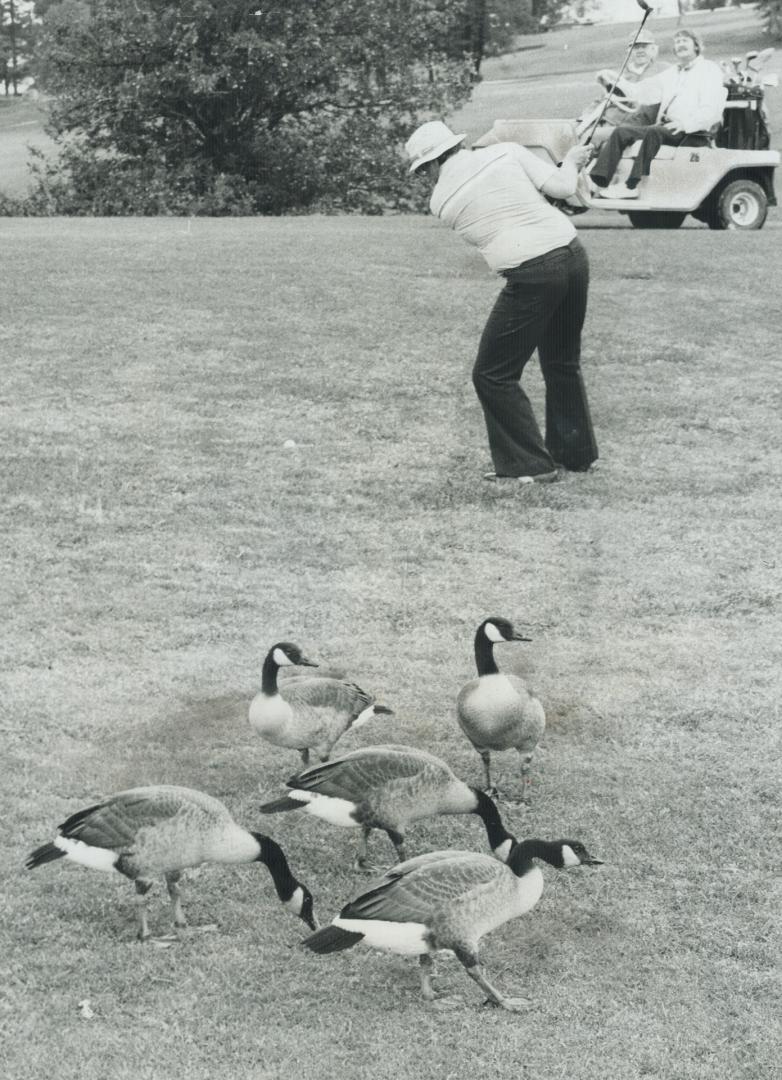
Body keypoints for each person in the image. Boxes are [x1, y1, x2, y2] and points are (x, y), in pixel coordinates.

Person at [404, 120, 598, 483]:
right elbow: (564, 188)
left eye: (422, 171)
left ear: (431, 164)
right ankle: (576, 456)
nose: (424, 179)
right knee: (561, 361)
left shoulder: (440, 202)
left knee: (492, 374)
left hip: (532, 274)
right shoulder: (507, 151)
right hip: (573, 256)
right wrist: (571, 161)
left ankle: (531, 466)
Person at [589, 28, 728, 199]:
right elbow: (642, 91)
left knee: (655, 131)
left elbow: (711, 109)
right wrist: (617, 81)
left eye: (685, 41)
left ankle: (631, 186)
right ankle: (598, 182)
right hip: (668, 129)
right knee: (621, 132)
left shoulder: (709, 70)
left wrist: (686, 124)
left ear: (696, 46)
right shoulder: (672, 73)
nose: (680, 45)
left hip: (694, 132)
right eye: (677, 42)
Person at [576, 29, 663, 145]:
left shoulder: (661, 70)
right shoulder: (622, 74)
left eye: (644, 46)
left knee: (591, 136)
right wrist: (586, 115)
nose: (640, 51)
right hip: (606, 120)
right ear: (629, 52)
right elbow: (604, 97)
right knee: (572, 130)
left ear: (653, 49)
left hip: (631, 124)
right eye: (636, 47)